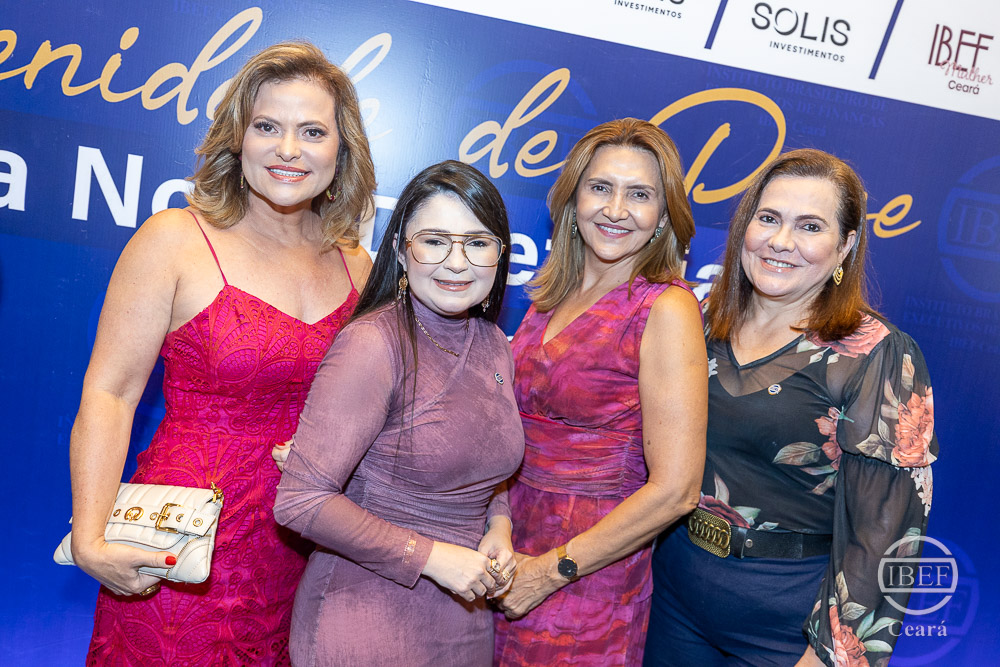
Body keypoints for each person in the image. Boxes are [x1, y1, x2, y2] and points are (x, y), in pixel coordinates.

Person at [68, 41, 376, 665]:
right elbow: (111, 393)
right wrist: (90, 538)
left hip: (307, 551)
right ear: (238, 138)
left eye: (312, 131)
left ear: (341, 151)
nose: (288, 149)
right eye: (267, 127)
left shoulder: (358, 265)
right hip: (181, 548)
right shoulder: (175, 239)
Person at [644, 149, 937, 666]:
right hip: (670, 599)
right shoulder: (697, 321)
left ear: (846, 245)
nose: (781, 241)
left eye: (810, 226)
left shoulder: (877, 354)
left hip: (786, 627)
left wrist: (830, 658)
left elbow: (884, 535)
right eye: (769, 218)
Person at [273, 160, 524, 666]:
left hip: (464, 619)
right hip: (367, 614)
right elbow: (299, 502)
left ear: (499, 255)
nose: (457, 263)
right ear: (401, 252)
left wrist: (498, 527)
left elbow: (481, 462)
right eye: (434, 241)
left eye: (477, 243)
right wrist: (431, 557)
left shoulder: (495, 343)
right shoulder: (373, 343)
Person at [493, 118, 708, 666]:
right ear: (573, 200)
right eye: (600, 187)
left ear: (664, 216)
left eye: (639, 195)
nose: (615, 209)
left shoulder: (665, 308)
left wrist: (551, 571)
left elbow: (677, 490)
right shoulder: (550, 297)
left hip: (586, 582)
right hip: (503, 555)